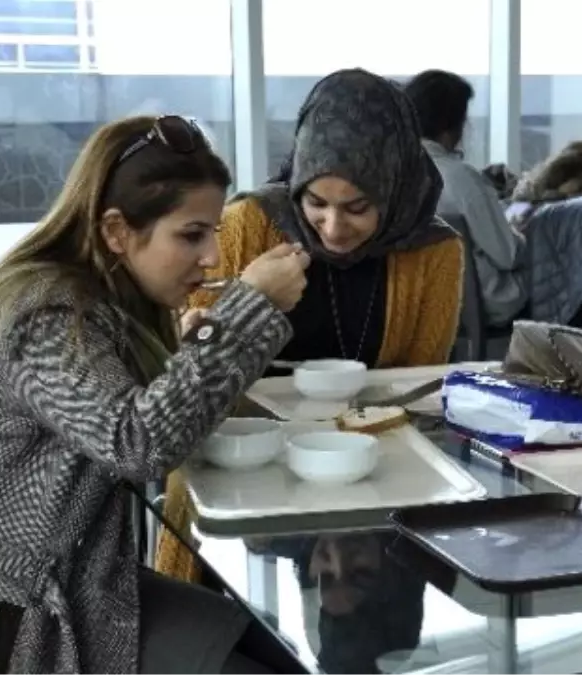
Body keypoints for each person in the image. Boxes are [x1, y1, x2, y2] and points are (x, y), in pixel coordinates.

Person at [0, 115, 310, 673]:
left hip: (72, 577)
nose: (209, 258)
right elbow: (139, 440)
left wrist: (201, 339)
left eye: (213, 235)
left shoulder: (103, 300)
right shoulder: (45, 312)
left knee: (270, 650)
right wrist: (248, 310)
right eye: (191, 234)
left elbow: (144, 411)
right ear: (115, 232)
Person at [158, 68, 464, 585]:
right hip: (239, 464)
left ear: (393, 190)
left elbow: (416, 389)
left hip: (364, 472)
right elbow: (182, 354)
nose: (333, 227)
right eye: (315, 203)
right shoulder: (248, 225)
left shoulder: (433, 251)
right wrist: (251, 296)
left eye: (358, 208)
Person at [405, 69, 528, 326]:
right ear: (453, 127)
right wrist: (516, 230)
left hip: (412, 305)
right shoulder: (462, 178)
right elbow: (507, 255)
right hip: (475, 306)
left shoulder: (392, 174)